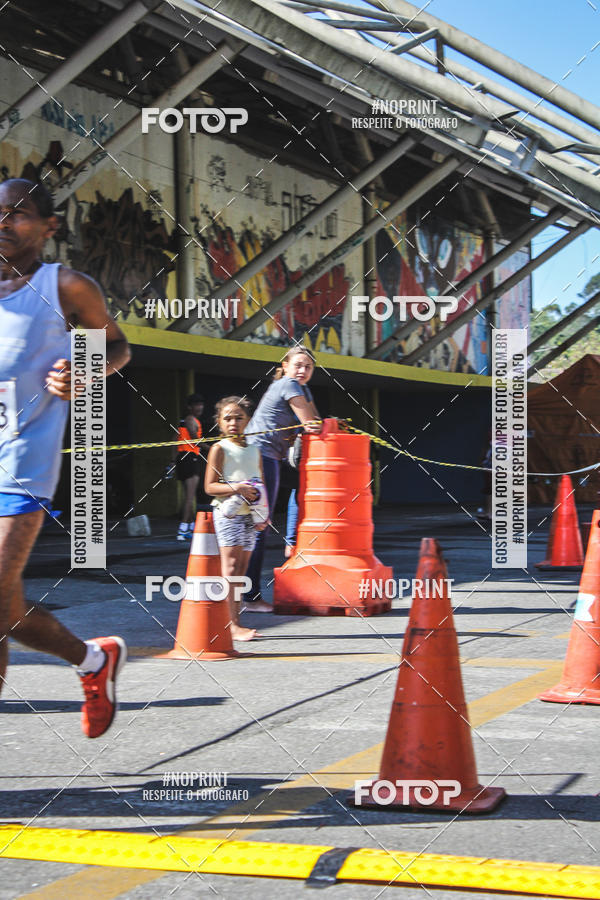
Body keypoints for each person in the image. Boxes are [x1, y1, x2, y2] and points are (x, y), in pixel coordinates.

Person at [0, 177, 131, 738]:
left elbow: (118, 346)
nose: (3, 222)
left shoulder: (66, 286)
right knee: (4, 615)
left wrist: (88, 369)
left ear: (49, 227)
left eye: (17, 214)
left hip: (21, 465)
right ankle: (93, 661)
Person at [245, 346, 321, 611]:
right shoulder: (288, 383)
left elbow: (314, 421)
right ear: (285, 365)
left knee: (258, 523)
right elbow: (312, 424)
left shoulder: (302, 388)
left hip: (269, 456)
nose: (302, 371)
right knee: (258, 524)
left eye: (308, 367)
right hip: (259, 455)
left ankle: (247, 593)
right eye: (298, 365)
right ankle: (249, 596)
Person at [204, 396, 268, 641]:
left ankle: (236, 621)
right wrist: (237, 488)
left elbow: (260, 482)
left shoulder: (255, 450)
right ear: (219, 422)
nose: (233, 423)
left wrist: (265, 511)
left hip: (251, 516)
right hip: (228, 514)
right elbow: (210, 487)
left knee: (241, 570)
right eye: (227, 418)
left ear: (248, 421)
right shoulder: (219, 449)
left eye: (239, 418)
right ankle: (231, 625)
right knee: (230, 568)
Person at [174, 393, 204, 541]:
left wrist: (172, 462)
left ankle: (191, 526)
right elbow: (195, 439)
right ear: (189, 407)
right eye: (196, 405)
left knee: (190, 496)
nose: (200, 407)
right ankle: (182, 529)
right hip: (190, 458)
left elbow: (174, 441)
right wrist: (214, 447)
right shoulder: (191, 420)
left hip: (182, 458)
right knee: (190, 497)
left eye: (201, 404)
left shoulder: (181, 422)